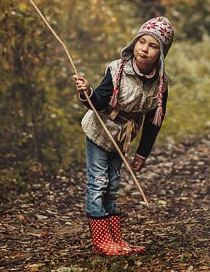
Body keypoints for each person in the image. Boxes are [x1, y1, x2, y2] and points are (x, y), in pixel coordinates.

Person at [72, 16, 173, 256]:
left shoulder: (160, 85)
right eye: (142, 42)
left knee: (113, 185)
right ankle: (101, 241)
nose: (145, 50)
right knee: (98, 183)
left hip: (122, 138)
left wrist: (142, 153)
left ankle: (115, 239)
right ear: (134, 42)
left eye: (153, 46)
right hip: (100, 129)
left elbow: (153, 122)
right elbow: (97, 103)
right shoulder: (117, 69)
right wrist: (87, 92)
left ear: (161, 53)